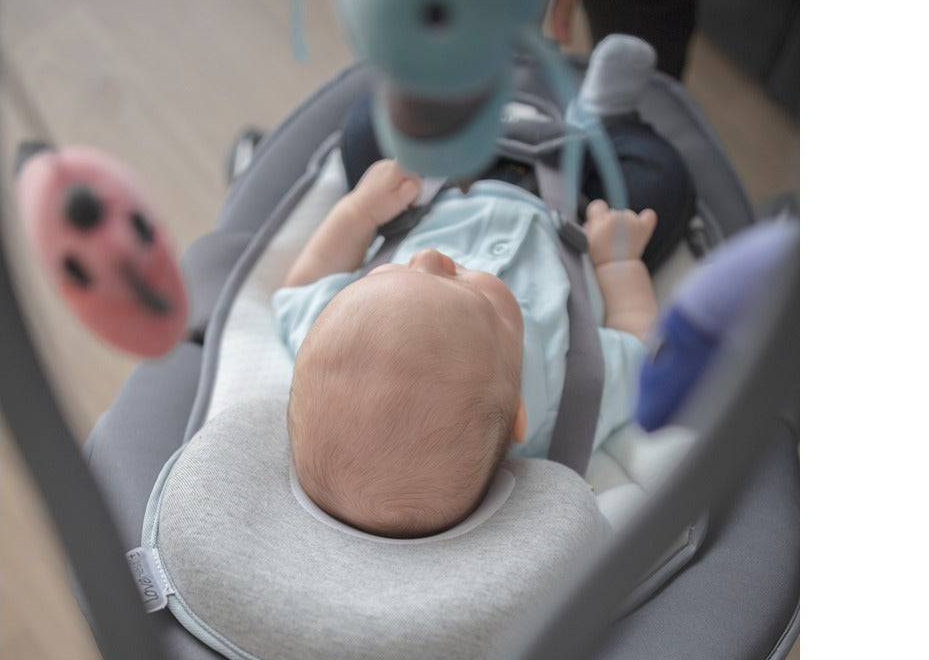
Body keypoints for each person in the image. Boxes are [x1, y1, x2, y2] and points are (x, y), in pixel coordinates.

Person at [274, 34, 665, 539]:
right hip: (578, 210)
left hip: (442, 183)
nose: (430, 258)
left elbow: (303, 285)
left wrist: (360, 211)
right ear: (518, 416)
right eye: (469, 290)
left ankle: (465, 83)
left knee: (370, 128)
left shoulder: (327, 335)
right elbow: (640, 346)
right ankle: (602, 120)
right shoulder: (567, 397)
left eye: (395, 271)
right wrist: (619, 263)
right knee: (661, 182)